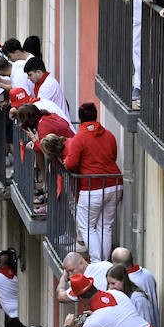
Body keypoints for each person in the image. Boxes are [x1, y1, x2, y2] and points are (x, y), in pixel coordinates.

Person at [63, 103, 123, 262]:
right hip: (115, 183)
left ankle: (97, 262)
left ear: (80, 118)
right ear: (96, 115)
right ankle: (104, 262)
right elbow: (113, 156)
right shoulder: (109, 134)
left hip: (92, 187)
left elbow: (70, 164)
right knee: (106, 226)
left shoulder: (79, 138)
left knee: (87, 226)